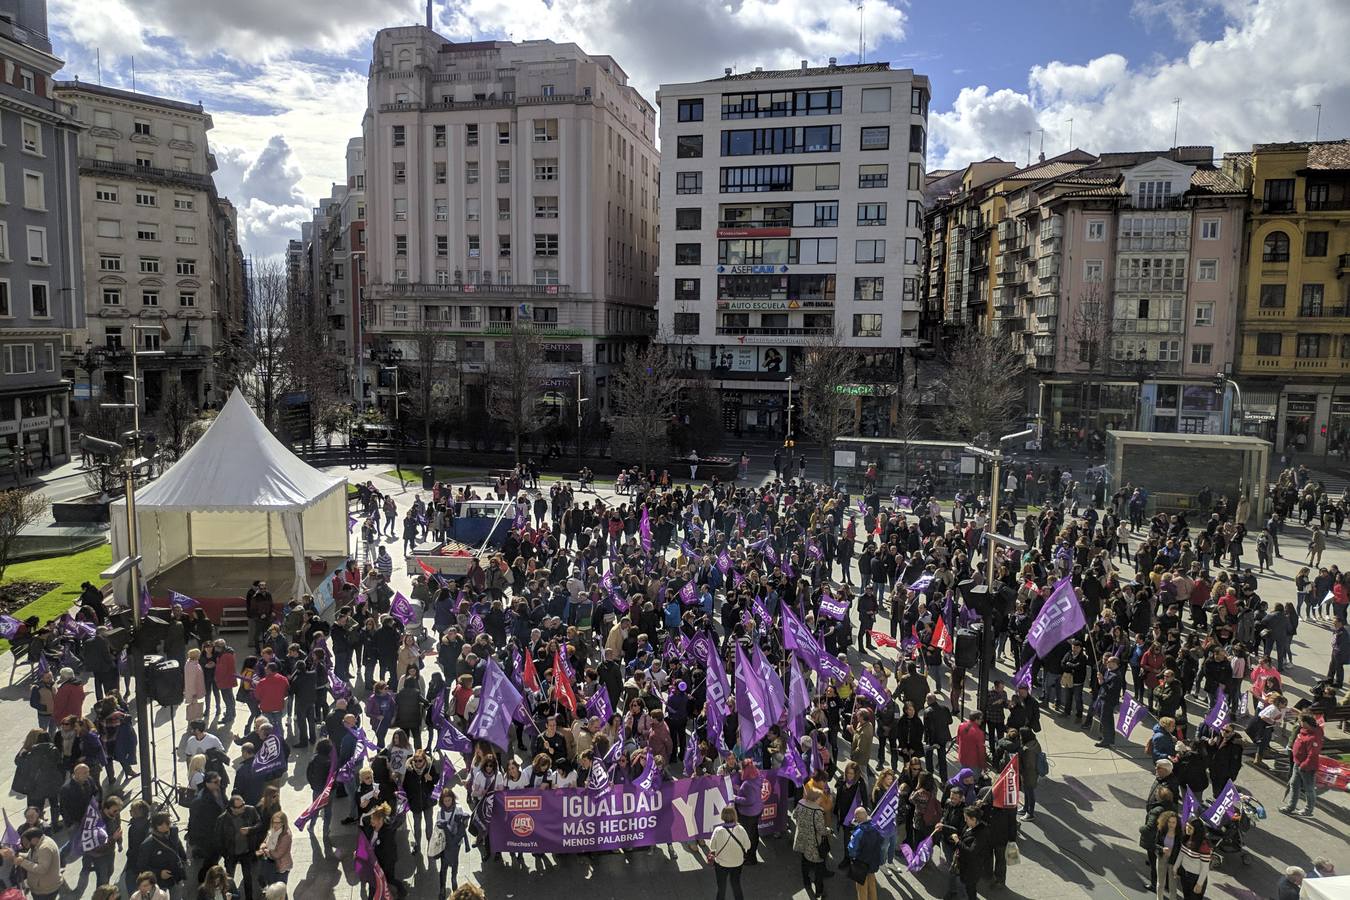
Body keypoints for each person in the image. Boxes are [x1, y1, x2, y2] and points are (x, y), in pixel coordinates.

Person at [0, 827, 63, 900]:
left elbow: (42, 869)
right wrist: (17, 854)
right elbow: (30, 856)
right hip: (42, 887)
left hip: (46, 890)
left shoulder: (45, 848)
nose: (26, 845)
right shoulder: (38, 843)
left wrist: (22, 862)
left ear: (34, 839)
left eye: (27, 843)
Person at [1280, 714, 1324, 817]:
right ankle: (1290, 807)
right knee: (1294, 785)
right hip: (1298, 763)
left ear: (1306, 723)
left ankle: (1308, 810)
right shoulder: (1304, 731)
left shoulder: (1313, 737)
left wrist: (1303, 765)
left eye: (1300, 721)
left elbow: (1312, 754)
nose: (1299, 723)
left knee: (1309, 789)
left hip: (1307, 767)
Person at [791, 785, 830, 899]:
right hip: (814, 842)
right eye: (820, 799)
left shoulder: (801, 803)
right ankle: (819, 891)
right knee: (819, 867)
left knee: (804, 862)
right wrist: (828, 830)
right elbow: (821, 830)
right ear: (816, 799)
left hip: (802, 838)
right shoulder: (817, 811)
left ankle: (806, 883)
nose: (821, 800)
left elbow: (794, 815)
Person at [432, 788, 471, 899]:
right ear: (442, 801)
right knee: (443, 867)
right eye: (445, 801)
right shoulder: (440, 812)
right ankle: (442, 888)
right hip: (444, 844)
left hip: (456, 843)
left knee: (454, 864)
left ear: (453, 799)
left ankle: (454, 885)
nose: (447, 803)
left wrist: (464, 820)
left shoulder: (458, 809)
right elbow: (438, 828)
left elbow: (464, 825)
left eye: (449, 800)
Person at [708, 805, 749, 900]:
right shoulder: (741, 829)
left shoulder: (718, 830)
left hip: (721, 864)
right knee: (736, 885)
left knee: (721, 887)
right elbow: (748, 846)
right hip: (737, 863)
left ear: (722, 816)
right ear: (734, 816)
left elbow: (712, 847)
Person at [846, 807, 884, 900]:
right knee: (872, 884)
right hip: (873, 862)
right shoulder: (876, 828)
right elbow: (881, 842)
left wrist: (851, 840)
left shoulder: (859, 832)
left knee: (861, 888)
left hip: (861, 864)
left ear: (857, 818)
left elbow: (852, 850)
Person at [732, 758, 764, 864]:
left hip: (748, 813)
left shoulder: (747, 784)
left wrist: (735, 797)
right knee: (754, 833)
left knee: (748, 835)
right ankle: (752, 854)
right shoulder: (758, 776)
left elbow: (749, 800)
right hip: (757, 810)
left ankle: (749, 857)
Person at [256, 810, 292, 889]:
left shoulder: (286, 835)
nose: (275, 825)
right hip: (270, 863)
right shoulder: (271, 830)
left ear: (283, 823)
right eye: (273, 822)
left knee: (280, 889)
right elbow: (266, 841)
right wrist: (263, 845)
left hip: (281, 866)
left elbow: (278, 854)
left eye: (278, 823)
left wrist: (265, 851)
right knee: (271, 886)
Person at [1176, 823, 1211, 900]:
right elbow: (1181, 854)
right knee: (1186, 896)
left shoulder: (1203, 845)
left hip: (1195, 878)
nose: (1187, 828)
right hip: (1184, 874)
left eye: (1190, 827)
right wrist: (1176, 867)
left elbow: (1205, 868)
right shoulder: (1186, 838)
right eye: (1187, 826)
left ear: (1197, 830)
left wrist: (1199, 884)